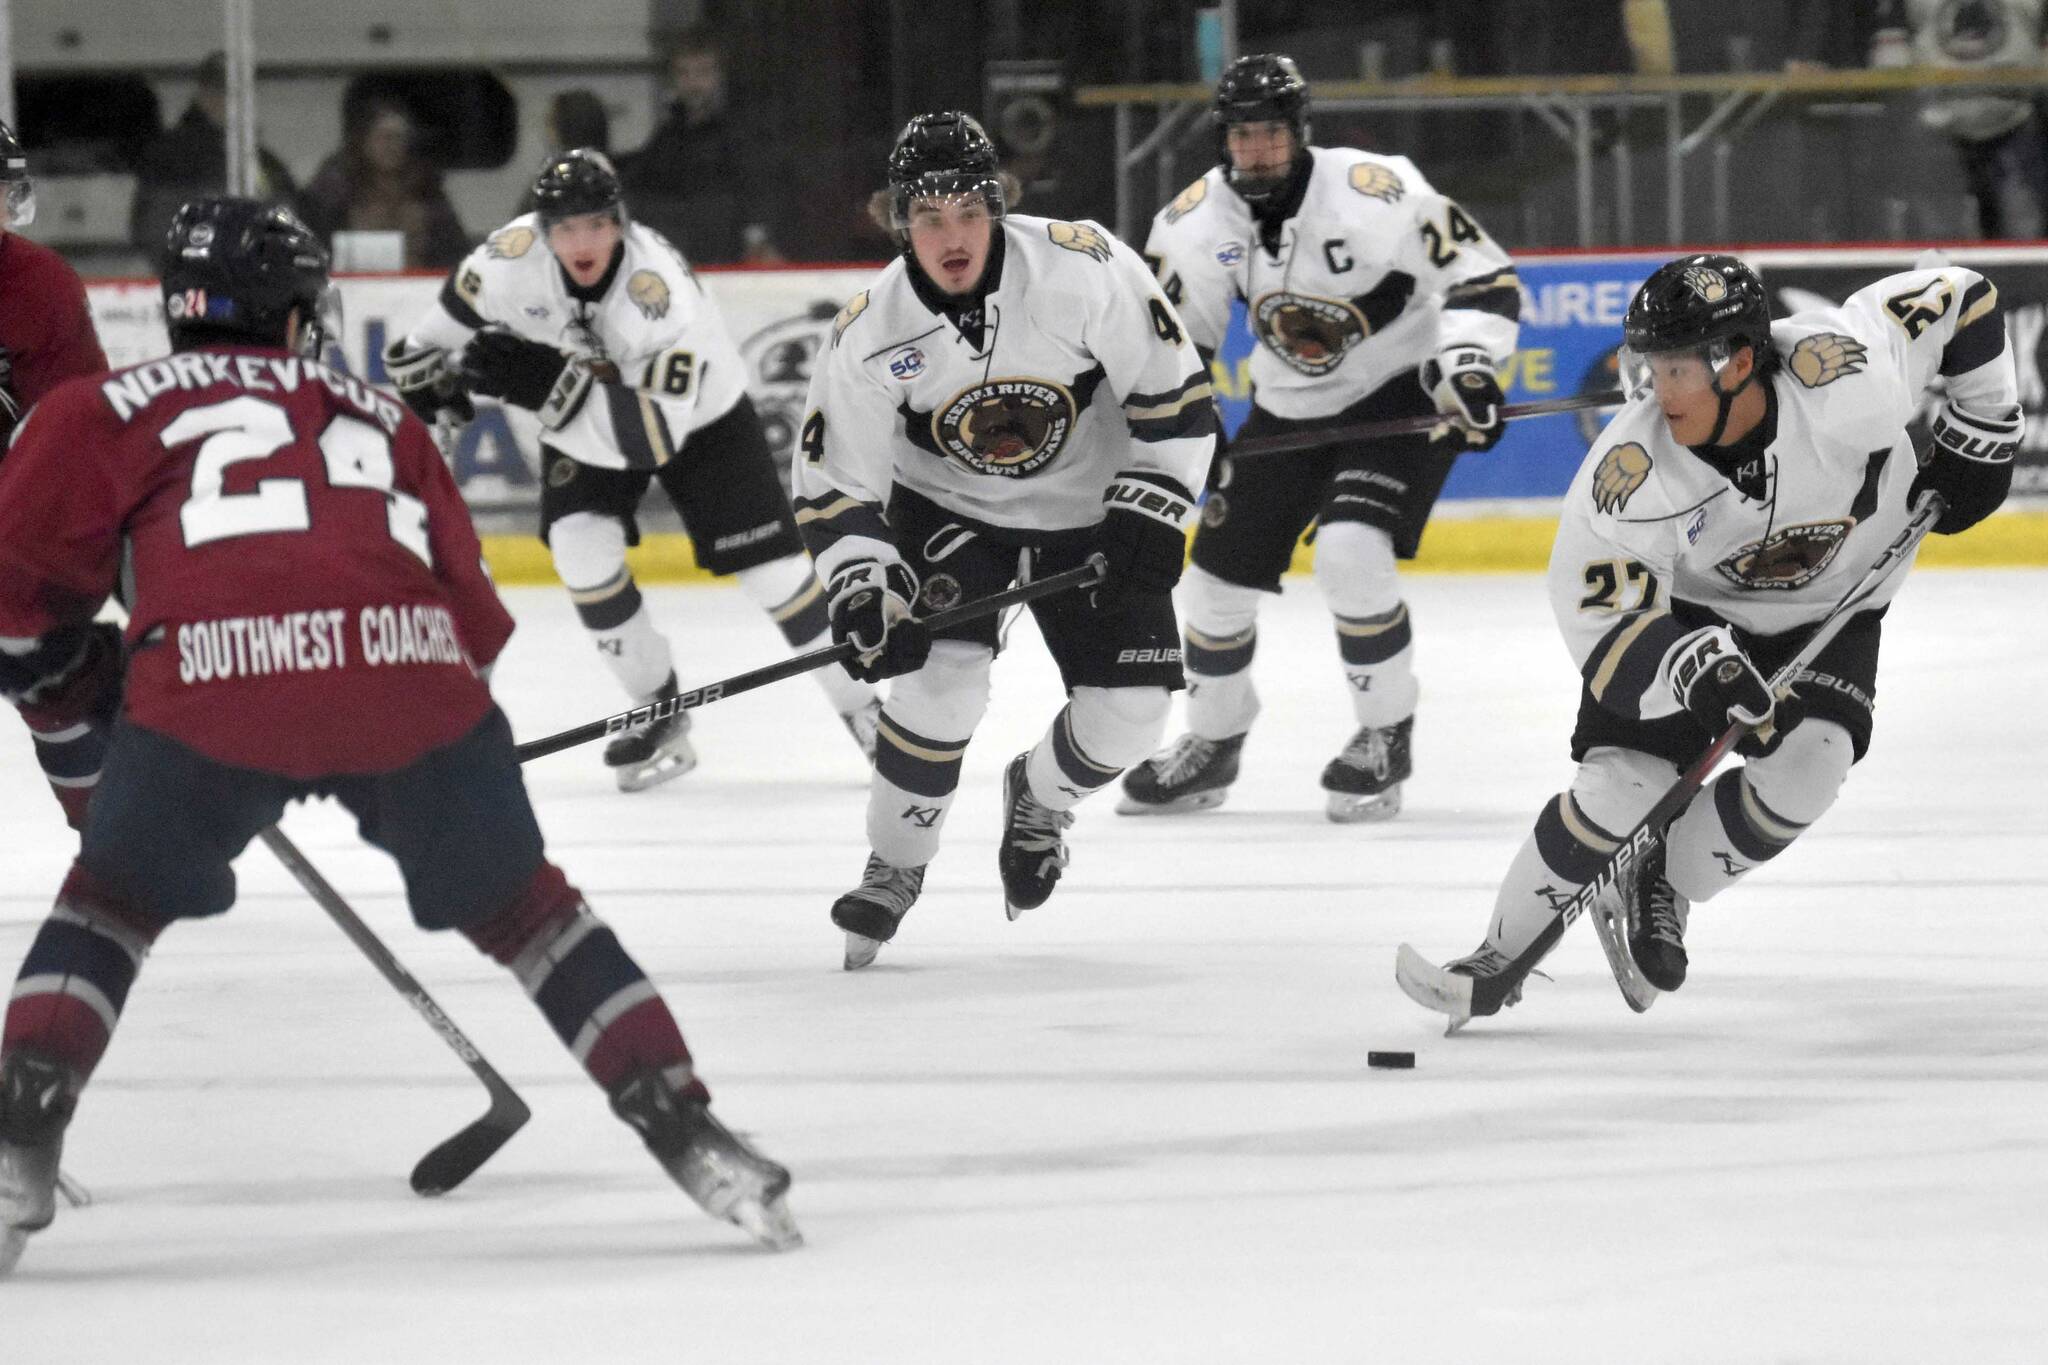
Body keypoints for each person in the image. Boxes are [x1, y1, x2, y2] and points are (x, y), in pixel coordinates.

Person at [0, 198, 800, 1275]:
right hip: (411, 678)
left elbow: (17, 599)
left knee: (110, 908)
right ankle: (689, 1130)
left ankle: (16, 1147)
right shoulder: (377, 412)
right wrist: (419, 739)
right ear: (295, 312)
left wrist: (80, 678)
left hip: (204, 694)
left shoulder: (103, 408)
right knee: (535, 916)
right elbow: (473, 621)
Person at [1397, 253, 2019, 1029]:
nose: (1660, 389)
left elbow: (1965, 296)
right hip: (1692, 615)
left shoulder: (1846, 373)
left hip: (1836, 606)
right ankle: (1495, 956)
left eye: (1679, 368)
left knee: (1810, 770)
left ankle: (1665, 881)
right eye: (1651, 366)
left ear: (1742, 361)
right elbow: (1603, 620)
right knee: (1622, 786)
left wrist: (1985, 426)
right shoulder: (1629, 471)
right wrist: (1688, 666)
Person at [796, 112, 1217, 969]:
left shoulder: (1083, 265)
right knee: (938, 683)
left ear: (999, 206)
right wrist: (866, 587)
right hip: (949, 513)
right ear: (899, 221)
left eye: (968, 213)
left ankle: (1040, 794)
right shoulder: (871, 330)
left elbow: (1172, 394)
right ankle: (895, 863)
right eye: (928, 217)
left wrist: (1156, 501)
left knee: (1133, 715)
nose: (952, 237)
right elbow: (838, 480)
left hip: (1093, 510)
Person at [385, 149, 879, 790]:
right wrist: (429, 384)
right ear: (541, 230)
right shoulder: (509, 261)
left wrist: (547, 384)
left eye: (595, 224)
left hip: (699, 419)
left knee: (774, 576)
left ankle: (865, 712)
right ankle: (658, 705)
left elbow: (649, 439)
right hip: (587, 415)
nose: (580, 241)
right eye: (564, 228)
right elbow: (419, 348)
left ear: (619, 223)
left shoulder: (657, 296)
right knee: (579, 551)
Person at [1117, 54, 1522, 823]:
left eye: (1272, 135)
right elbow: (1177, 348)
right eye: (1243, 137)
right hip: (1288, 409)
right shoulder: (1194, 222)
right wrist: (1193, 427)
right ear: (1223, 140)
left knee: (1350, 552)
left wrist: (1465, 367)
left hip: (1395, 395)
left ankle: (1383, 733)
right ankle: (1214, 736)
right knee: (1211, 585)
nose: (1258, 152)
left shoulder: (1380, 189)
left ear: (1300, 133)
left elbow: (1480, 276)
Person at [0, 119, 115, 834]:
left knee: (51, 661)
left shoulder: (38, 283)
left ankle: (112, 837)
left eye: (5, 196)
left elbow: (79, 430)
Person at [1874, 1, 2048, 239]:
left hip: (2018, 120)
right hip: (1935, 124)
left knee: (2023, 231)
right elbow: (1889, 62)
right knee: (1939, 236)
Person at [618, 29, 782, 264]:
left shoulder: (743, 131)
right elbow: (640, 180)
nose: (693, 83)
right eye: (684, 73)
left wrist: (757, 239)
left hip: (727, 257)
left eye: (703, 72)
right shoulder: (668, 135)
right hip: (678, 258)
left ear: (720, 76)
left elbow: (759, 188)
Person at [127, 50, 299, 258]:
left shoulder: (261, 158)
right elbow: (155, 230)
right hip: (197, 279)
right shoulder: (172, 155)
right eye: (224, 92)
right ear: (203, 94)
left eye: (243, 94)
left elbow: (293, 219)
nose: (236, 103)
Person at [298, 100, 470, 269]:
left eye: (398, 138)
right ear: (363, 140)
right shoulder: (334, 190)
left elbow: (455, 254)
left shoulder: (427, 192)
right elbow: (309, 247)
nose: (391, 146)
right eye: (383, 137)